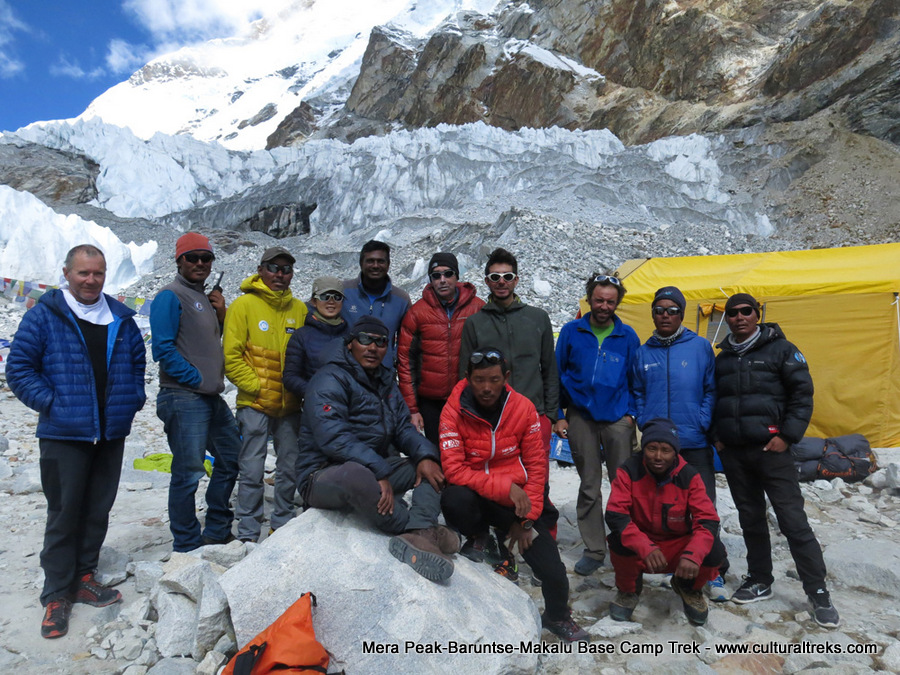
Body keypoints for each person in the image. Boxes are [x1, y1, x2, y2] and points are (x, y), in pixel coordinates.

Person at [6, 244, 146, 639]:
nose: (91, 280)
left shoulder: (120, 319)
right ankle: (56, 593)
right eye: (83, 273)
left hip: (110, 432)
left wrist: (131, 402)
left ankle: (84, 576)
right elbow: (18, 369)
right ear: (66, 273)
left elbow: (137, 366)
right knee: (64, 512)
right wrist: (54, 405)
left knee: (98, 507)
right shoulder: (45, 316)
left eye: (98, 273)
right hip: (64, 433)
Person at [440, 349, 589, 642]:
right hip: (479, 494)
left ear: (506, 378)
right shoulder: (453, 409)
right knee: (454, 498)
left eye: (494, 380)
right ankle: (481, 535)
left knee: (553, 570)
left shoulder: (522, 408)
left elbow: (537, 467)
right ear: (468, 378)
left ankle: (557, 616)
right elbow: (454, 470)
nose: (486, 387)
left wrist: (528, 520)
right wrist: (504, 487)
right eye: (479, 379)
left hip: (517, 504)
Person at [296, 317, 460, 581]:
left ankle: (420, 531)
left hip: (375, 467)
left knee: (432, 467)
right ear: (350, 344)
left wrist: (425, 455)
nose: (372, 347)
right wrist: (377, 470)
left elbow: (403, 428)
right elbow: (333, 436)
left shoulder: (385, 381)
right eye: (364, 340)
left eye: (380, 342)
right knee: (356, 476)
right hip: (323, 473)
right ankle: (421, 530)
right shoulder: (329, 378)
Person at [712, 293, 840, 628]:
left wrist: (787, 436)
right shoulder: (722, 358)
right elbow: (713, 398)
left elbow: (803, 395)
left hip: (774, 450)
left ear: (757, 314)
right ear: (727, 319)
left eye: (746, 311)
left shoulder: (782, 350)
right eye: (733, 313)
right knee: (750, 518)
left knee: (792, 520)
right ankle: (759, 579)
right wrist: (717, 437)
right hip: (736, 453)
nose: (739, 317)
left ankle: (818, 591)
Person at [629, 285, 728, 600]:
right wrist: (645, 419)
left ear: (682, 314)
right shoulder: (644, 352)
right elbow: (638, 391)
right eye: (659, 310)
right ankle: (664, 560)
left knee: (704, 508)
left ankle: (713, 571)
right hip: (657, 446)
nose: (665, 315)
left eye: (672, 310)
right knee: (658, 507)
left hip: (693, 440)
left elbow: (711, 389)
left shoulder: (700, 347)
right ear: (653, 314)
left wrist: (701, 420)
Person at [151, 232, 241, 553]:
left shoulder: (203, 298)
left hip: (208, 397)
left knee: (232, 457)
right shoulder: (169, 297)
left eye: (207, 258)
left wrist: (221, 316)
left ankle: (216, 529)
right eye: (193, 257)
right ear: (179, 260)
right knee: (188, 472)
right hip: (183, 396)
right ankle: (187, 542)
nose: (201, 263)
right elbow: (162, 350)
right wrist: (196, 378)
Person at [554, 273, 639, 576]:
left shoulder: (627, 336)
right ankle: (594, 549)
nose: (604, 306)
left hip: (617, 418)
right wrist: (559, 414)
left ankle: (624, 542)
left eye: (610, 301)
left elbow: (635, 378)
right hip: (580, 417)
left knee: (622, 484)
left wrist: (631, 415)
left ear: (618, 302)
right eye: (599, 299)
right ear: (589, 298)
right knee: (589, 485)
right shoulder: (571, 331)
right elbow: (557, 373)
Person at [605, 418, 725, 626]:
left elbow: (707, 520)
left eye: (665, 450)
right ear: (644, 448)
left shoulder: (689, 476)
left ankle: (688, 587)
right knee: (618, 539)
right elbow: (616, 515)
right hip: (642, 545)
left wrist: (693, 555)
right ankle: (629, 590)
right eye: (652, 448)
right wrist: (645, 546)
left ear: (675, 452)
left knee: (714, 550)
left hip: (677, 546)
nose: (658, 456)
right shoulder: (629, 471)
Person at [224, 246, 308, 542]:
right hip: (254, 404)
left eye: (286, 269)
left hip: (290, 407)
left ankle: (281, 523)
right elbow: (231, 357)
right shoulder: (243, 306)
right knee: (251, 469)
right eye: (274, 268)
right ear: (261, 270)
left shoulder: (300, 310)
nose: (280, 275)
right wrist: (258, 387)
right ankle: (248, 531)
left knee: (289, 466)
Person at [459, 247, 558, 447]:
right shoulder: (474, 323)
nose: (501, 281)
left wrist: (550, 416)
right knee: (501, 476)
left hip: (535, 413)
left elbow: (550, 369)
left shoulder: (538, 318)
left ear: (516, 280)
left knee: (538, 475)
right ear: (487, 281)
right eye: (495, 277)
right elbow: (465, 374)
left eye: (507, 276)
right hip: (491, 417)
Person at [397, 252, 484, 443]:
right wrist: (412, 409)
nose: (442, 280)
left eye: (448, 273)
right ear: (430, 280)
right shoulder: (417, 313)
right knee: (438, 456)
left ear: (457, 275)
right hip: (431, 402)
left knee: (469, 454)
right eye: (436, 275)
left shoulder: (477, 308)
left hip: (468, 399)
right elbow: (405, 363)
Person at [341, 240, 411, 368]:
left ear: (388, 265)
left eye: (381, 261)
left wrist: (393, 358)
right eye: (370, 261)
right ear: (361, 263)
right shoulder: (343, 292)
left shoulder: (401, 299)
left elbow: (406, 339)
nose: (375, 265)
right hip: (347, 372)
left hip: (384, 375)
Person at [283, 276, 350, 399]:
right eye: (325, 297)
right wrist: (316, 392)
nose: (331, 301)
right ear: (314, 301)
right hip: (315, 405)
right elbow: (290, 377)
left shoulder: (351, 335)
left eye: (337, 297)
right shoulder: (301, 336)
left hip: (347, 405)